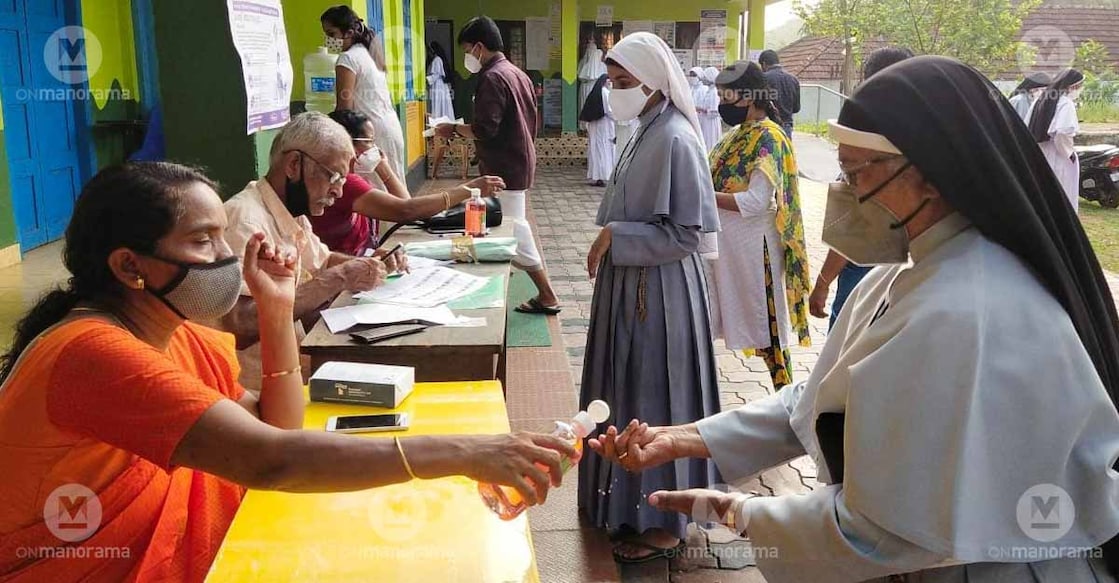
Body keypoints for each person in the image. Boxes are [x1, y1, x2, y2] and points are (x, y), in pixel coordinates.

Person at [589, 55, 1119, 582]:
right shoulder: (915, 273)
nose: (845, 195)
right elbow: (824, 396)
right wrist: (687, 438)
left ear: (931, 177)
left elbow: (886, 532)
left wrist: (736, 511)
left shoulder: (963, 311)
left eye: (854, 173)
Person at [0, 162, 577, 582]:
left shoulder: (182, 333)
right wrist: (464, 452)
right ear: (129, 266)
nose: (225, 257)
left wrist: (277, 313)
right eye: (202, 241)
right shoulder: (91, 353)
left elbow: (279, 428)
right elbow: (271, 459)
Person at [579, 31, 721, 563]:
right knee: (626, 390)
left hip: (661, 295)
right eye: (611, 81)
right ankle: (620, 505)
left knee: (656, 396)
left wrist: (617, 235)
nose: (615, 92)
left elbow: (686, 234)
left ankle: (664, 520)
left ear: (654, 81)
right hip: (634, 289)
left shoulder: (676, 137)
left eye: (624, 82)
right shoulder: (647, 127)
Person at [219, 112, 399, 392]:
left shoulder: (290, 211)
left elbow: (323, 261)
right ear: (294, 164)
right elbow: (241, 325)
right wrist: (338, 277)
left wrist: (368, 264)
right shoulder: (246, 221)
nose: (339, 192)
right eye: (335, 176)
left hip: (294, 372)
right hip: (256, 391)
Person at [435, 16, 561, 316]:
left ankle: (547, 294)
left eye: (467, 49)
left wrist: (451, 129)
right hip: (518, 158)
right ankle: (513, 281)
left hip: (505, 164)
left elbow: (484, 129)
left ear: (479, 47)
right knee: (503, 225)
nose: (467, 57)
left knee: (515, 229)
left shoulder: (492, 78)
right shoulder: (518, 73)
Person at [706, 61, 811, 391]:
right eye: (720, 96)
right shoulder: (738, 136)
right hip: (728, 248)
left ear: (750, 97)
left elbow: (755, 203)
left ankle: (786, 400)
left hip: (756, 253)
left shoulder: (768, 138)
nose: (723, 103)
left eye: (728, 96)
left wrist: (704, 195)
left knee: (768, 328)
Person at [809, 46, 913, 331]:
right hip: (907, 266)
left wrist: (822, 282)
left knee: (846, 348)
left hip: (865, 265)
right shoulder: (923, 138)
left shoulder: (865, 136)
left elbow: (850, 229)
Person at [310, 109, 505, 255]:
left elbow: (405, 203)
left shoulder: (354, 177)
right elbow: (406, 211)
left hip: (365, 257)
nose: (374, 148)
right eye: (368, 142)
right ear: (347, 144)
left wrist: (383, 167)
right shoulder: (347, 183)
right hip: (351, 265)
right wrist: (468, 189)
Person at [321, 5, 407, 185]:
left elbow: (344, 109)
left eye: (331, 34)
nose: (328, 40)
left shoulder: (347, 59)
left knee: (378, 197)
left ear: (349, 32)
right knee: (395, 187)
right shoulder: (370, 53)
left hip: (368, 133)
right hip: (390, 127)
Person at [1028, 68, 1084, 212]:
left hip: (1040, 153)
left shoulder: (1039, 100)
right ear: (1073, 86)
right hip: (1057, 155)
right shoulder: (1065, 103)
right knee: (1062, 192)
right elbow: (1062, 133)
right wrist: (1069, 154)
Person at [580, 73, 615, 187]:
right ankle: (604, 176)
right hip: (603, 125)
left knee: (595, 150)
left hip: (594, 125)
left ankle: (597, 177)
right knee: (604, 149)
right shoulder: (606, 93)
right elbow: (609, 111)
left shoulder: (595, 93)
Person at [759, 49, 800, 138]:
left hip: (768, 127)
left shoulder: (763, 79)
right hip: (787, 127)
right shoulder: (793, 79)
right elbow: (796, 108)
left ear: (764, 64)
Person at [578, 38, 607, 131]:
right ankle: (586, 126)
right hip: (594, 88)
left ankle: (585, 126)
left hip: (585, 87)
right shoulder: (602, 65)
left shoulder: (583, 63)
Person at [426, 41, 455, 121]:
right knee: (440, 105)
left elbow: (436, 74)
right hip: (438, 86)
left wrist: (427, 79)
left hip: (438, 86)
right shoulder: (436, 59)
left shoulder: (437, 60)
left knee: (438, 105)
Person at [699, 67, 723, 151]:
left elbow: (715, 112)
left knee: (711, 143)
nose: (704, 79)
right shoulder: (710, 90)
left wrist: (701, 109)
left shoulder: (714, 92)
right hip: (706, 122)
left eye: (705, 77)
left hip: (711, 123)